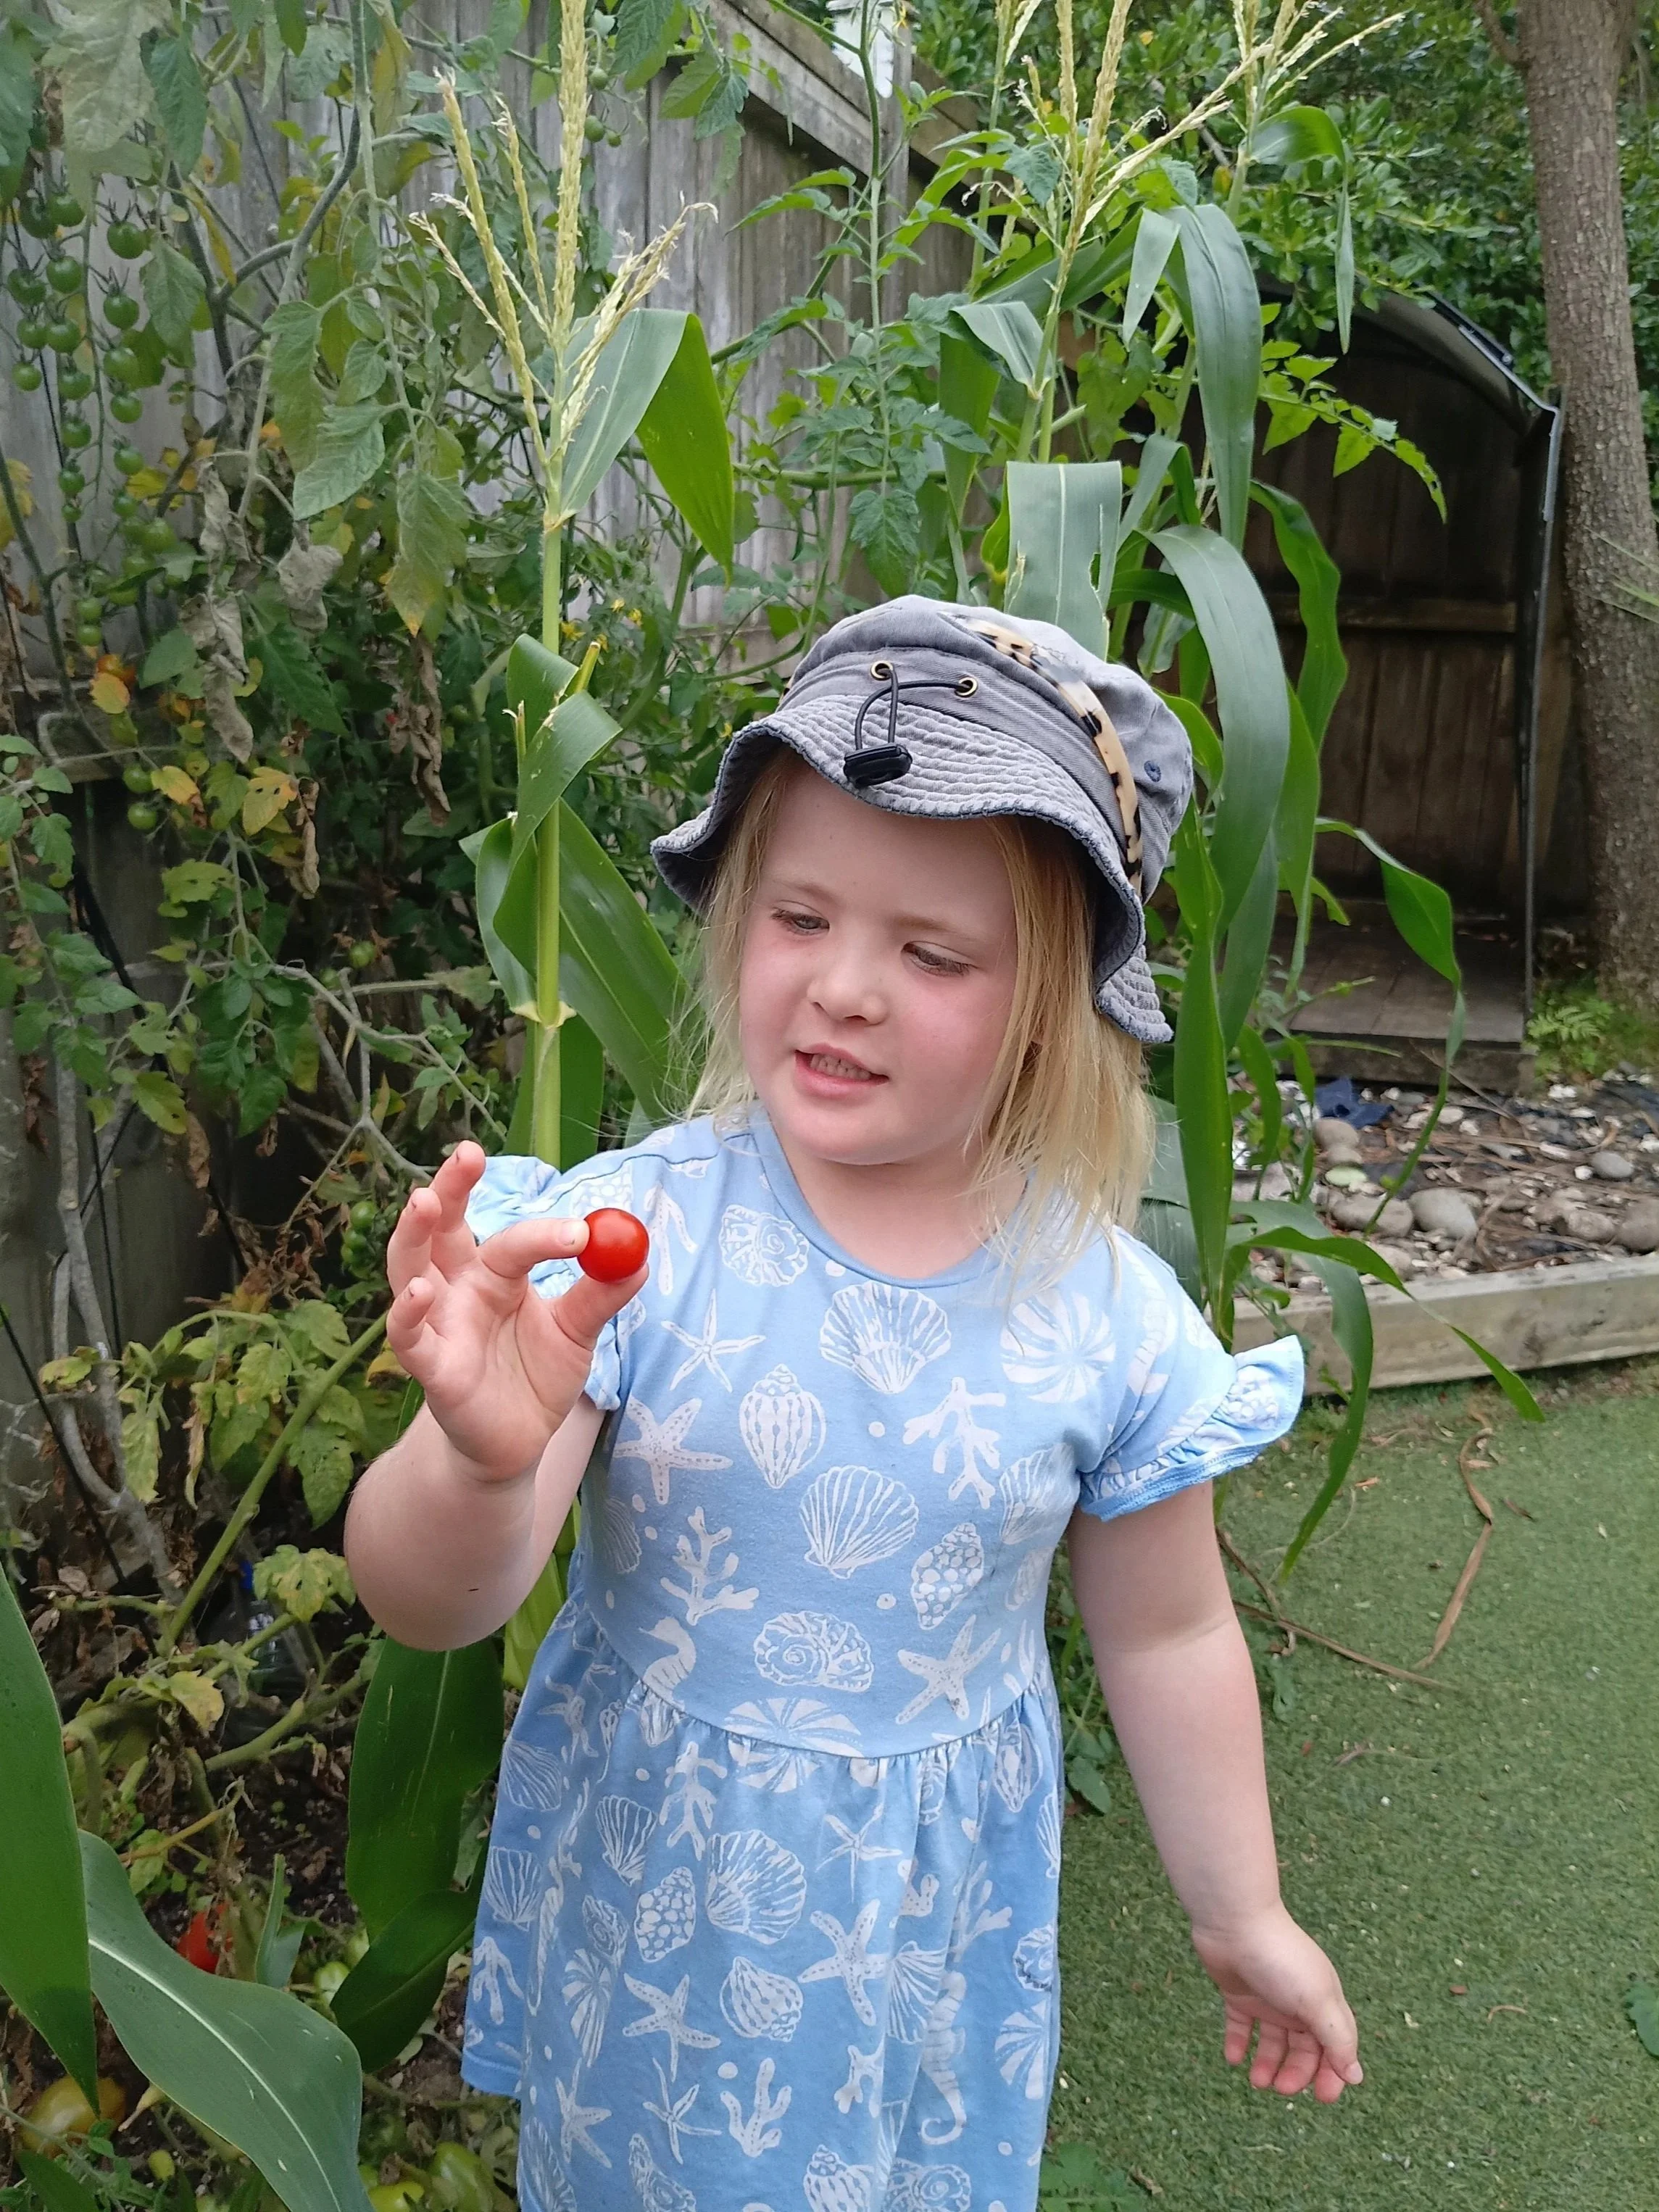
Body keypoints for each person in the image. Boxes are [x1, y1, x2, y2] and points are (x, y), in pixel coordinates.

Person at [346, 598, 1361, 2212]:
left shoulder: (1099, 1314)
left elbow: (1168, 1632)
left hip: (921, 1938)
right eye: (798, 915)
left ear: (1050, 999)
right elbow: (434, 1600)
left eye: (932, 951)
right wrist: (478, 1454)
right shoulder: (629, 1243)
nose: (844, 987)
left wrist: (1241, 1908)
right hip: (664, 1932)